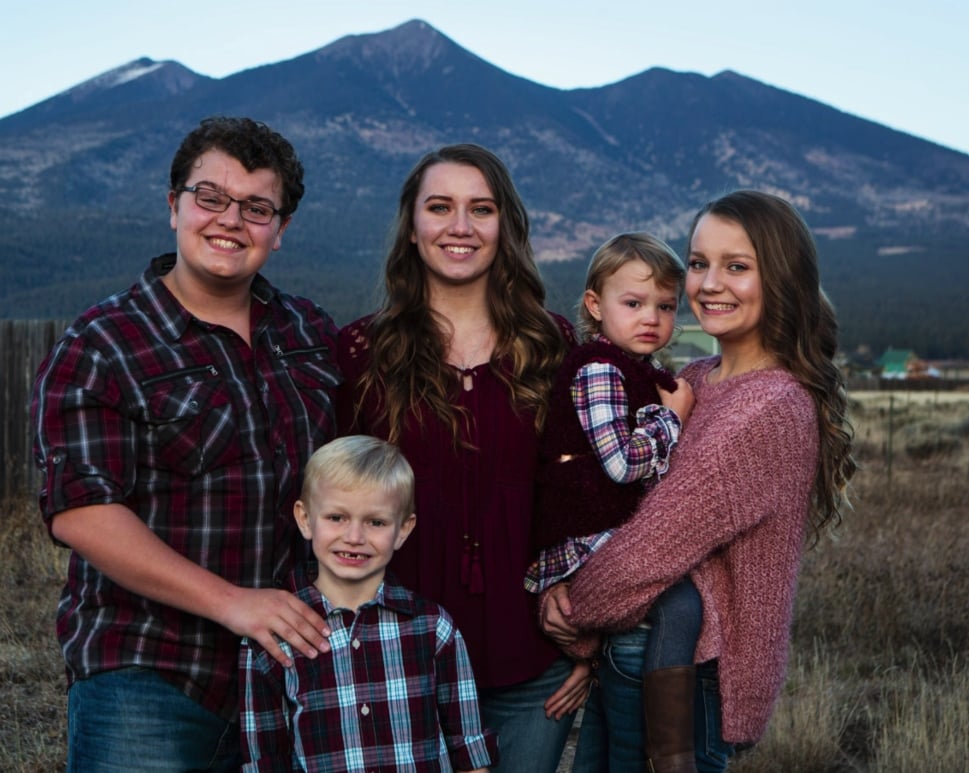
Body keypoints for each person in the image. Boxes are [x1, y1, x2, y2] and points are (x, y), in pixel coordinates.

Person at [30, 115, 340, 771]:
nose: (231, 220)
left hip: (288, 676)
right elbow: (83, 510)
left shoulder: (310, 333)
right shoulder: (104, 343)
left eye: (257, 207)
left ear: (280, 231)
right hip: (148, 669)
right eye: (211, 197)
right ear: (174, 206)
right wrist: (233, 603)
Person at [542, 190, 857, 772]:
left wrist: (571, 612)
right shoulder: (694, 377)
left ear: (782, 278)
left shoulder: (768, 407)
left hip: (692, 678)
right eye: (698, 262)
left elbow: (652, 546)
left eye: (737, 267)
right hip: (639, 646)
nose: (709, 284)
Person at [335, 143, 592, 772]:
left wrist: (593, 630)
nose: (460, 226)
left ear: (505, 227)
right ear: (413, 226)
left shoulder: (551, 344)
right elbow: (333, 509)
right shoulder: (362, 353)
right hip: (395, 663)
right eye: (440, 207)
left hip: (533, 664)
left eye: (481, 208)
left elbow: (586, 496)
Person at [526, 232, 701, 772]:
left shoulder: (637, 370)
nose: (651, 317)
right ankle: (672, 752)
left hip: (596, 528)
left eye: (666, 306)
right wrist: (672, 418)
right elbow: (622, 465)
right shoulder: (600, 368)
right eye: (633, 303)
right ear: (595, 306)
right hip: (584, 535)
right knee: (677, 599)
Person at [238, 435, 498, 772]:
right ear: (304, 518)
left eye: (375, 522)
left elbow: (469, 750)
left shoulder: (434, 628)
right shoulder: (273, 636)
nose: (355, 537)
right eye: (336, 518)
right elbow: (264, 761)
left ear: (403, 530)